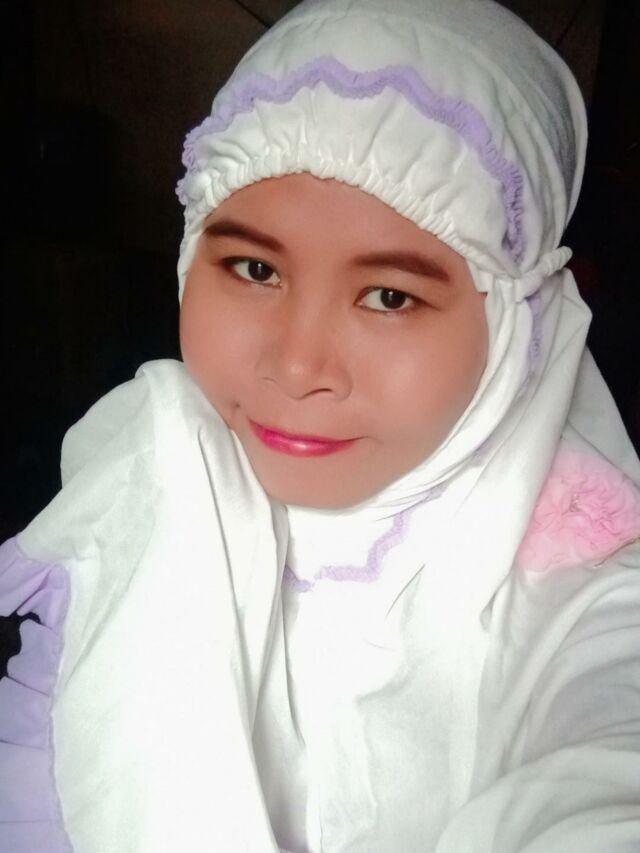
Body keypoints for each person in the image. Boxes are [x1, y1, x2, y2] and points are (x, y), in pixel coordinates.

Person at [2, 0, 640, 850]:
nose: (297, 367)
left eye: (390, 296)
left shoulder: (584, 585)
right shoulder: (154, 471)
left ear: (516, 321)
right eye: (254, 268)